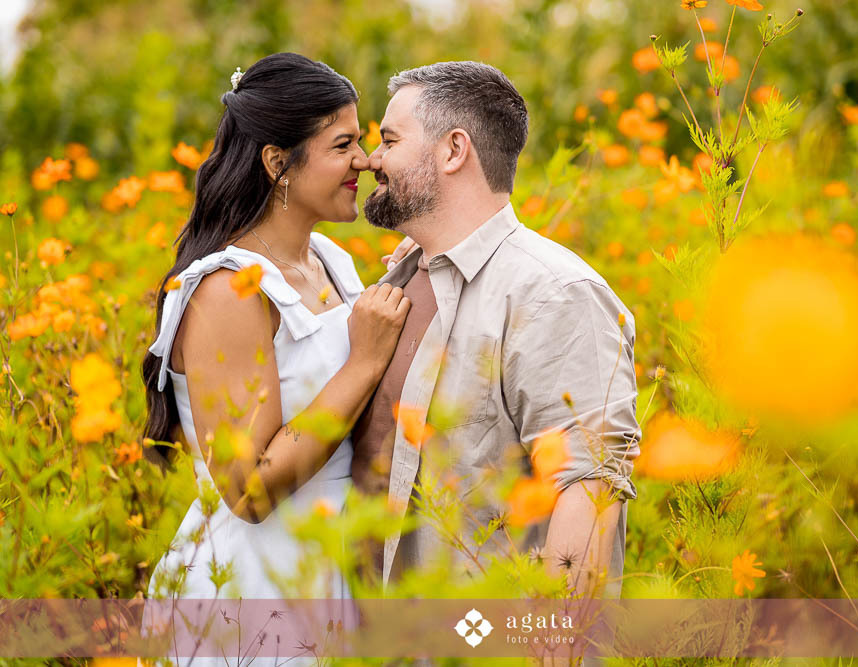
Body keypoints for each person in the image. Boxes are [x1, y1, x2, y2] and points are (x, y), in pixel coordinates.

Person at [139, 53, 409, 664]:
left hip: (335, 565)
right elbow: (249, 490)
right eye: (344, 144)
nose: (364, 162)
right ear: (277, 162)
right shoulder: (226, 291)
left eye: (362, 141)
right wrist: (361, 365)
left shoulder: (331, 261)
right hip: (257, 586)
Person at [352, 61, 641, 600]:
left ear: (454, 150)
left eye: (389, 140)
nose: (372, 159)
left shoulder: (554, 294)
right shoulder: (401, 278)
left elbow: (589, 487)